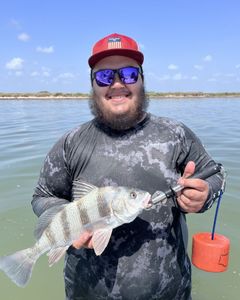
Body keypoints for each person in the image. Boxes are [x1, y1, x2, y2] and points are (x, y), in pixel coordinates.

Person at [32, 33, 224, 300]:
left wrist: (203, 196)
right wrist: (66, 215)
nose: (118, 84)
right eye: (105, 77)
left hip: (172, 292)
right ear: (93, 85)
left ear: (142, 79)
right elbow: (42, 196)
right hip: (85, 292)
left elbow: (215, 175)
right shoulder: (70, 143)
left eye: (129, 74)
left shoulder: (176, 133)